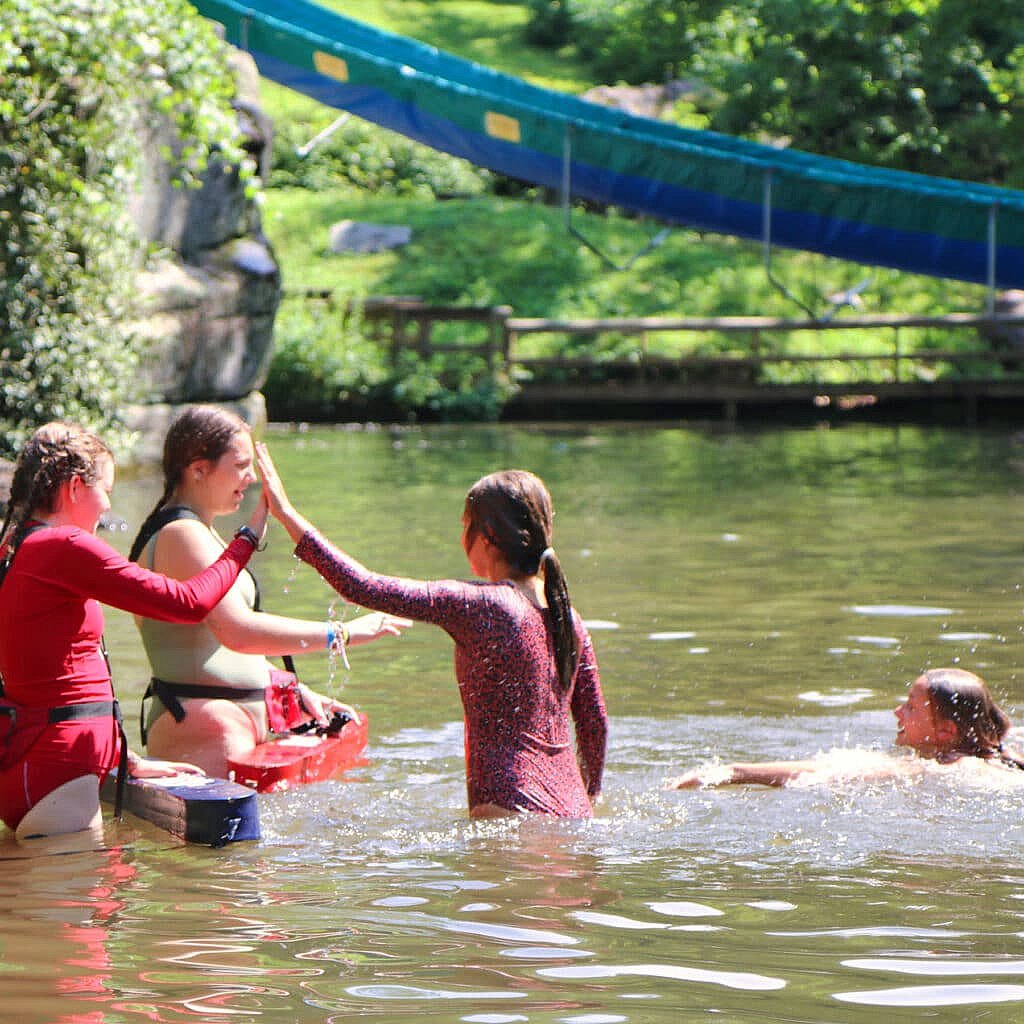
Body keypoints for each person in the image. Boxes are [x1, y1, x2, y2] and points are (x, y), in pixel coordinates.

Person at [257, 448, 607, 818]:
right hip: (573, 810)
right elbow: (595, 724)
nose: (461, 537)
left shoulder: (486, 605)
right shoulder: (569, 617)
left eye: (464, 525)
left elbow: (362, 586)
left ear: (486, 537)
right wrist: (591, 794)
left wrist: (286, 514)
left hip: (511, 808)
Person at [0, 422, 267, 840]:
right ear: (73, 488)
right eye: (105, 488)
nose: (108, 504)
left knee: (60, 897)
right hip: (59, 772)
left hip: (38, 763)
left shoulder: (15, 545)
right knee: (75, 897)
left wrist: (125, 760)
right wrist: (246, 541)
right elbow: (188, 603)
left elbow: (52, 673)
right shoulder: (63, 546)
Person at [131, 406, 411, 778]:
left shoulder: (201, 530)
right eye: (242, 465)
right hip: (206, 724)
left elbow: (211, 646)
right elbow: (237, 630)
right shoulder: (180, 534)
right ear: (198, 469)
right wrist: (343, 634)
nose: (250, 478)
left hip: (227, 719)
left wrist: (287, 686)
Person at [668, 668, 1024, 789]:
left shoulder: (941, 769)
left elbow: (836, 770)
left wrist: (736, 771)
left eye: (912, 707)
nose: (897, 711)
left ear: (946, 732)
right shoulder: (1004, 760)